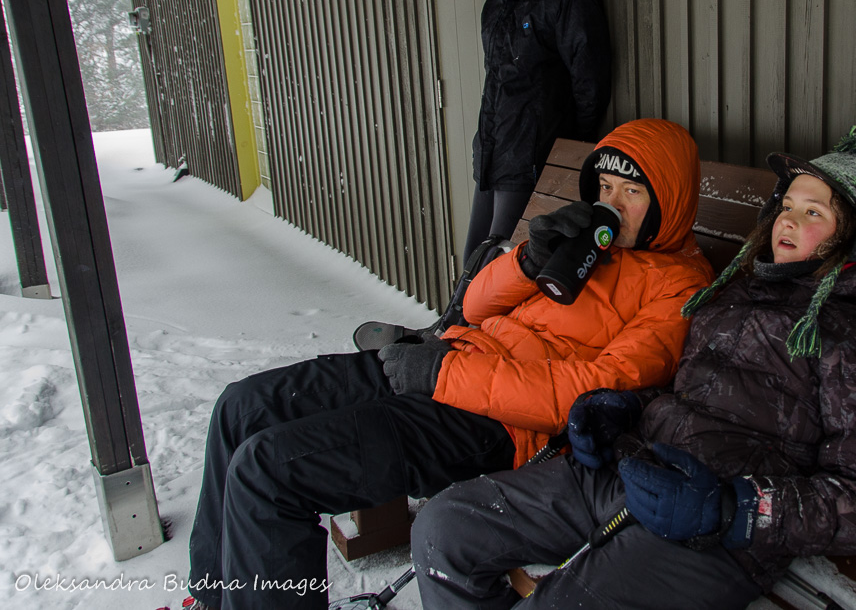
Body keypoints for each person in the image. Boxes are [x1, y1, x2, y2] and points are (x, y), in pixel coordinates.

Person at [185, 118, 713, 609]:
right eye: (604, 187)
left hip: (498, 424)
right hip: (454, 357)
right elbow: (475, 308)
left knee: (269, 469)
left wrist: (441, 374)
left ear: (668, 201)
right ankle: (212, 598)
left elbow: (590, 392)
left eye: (632, 192)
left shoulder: (678, 289)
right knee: (242, 408)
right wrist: (528, 260)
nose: (611, 204)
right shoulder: (592, 245)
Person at [410, 122, 856, 609]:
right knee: (446, 527)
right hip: (633, 472)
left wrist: (733, 508)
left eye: (814, 213)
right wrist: (623, 410)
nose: (788, 221)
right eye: (787, 205)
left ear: (855, 237)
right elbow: (693, 395)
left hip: (714, 536)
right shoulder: (737, 292)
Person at [464, 0, 611, 258]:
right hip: (492, 158)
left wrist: (563, 156)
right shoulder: (495, 5)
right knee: (472, 264)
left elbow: (589, 88)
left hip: (532, 162)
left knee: (500, 270)